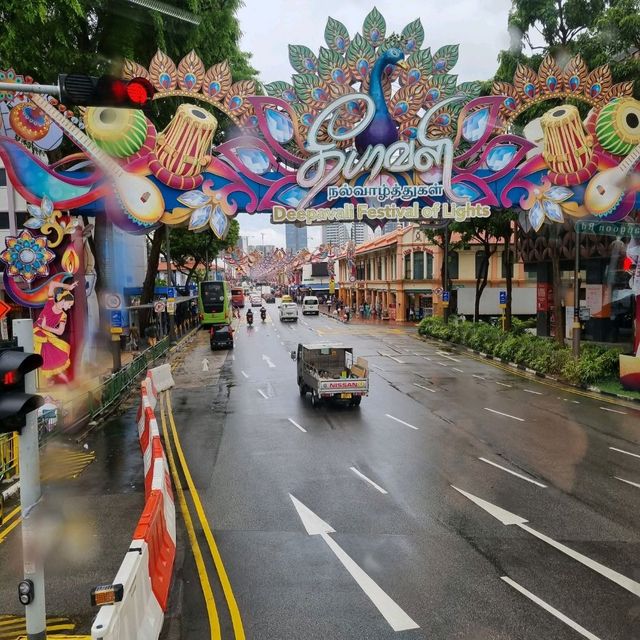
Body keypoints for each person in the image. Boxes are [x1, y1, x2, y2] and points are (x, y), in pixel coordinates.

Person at [34, 280, 77, 383]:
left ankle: (46, 381)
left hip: (46, 335)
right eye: (69, 304)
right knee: (36, 354)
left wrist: (46, 327)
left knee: (49, 357)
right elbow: (52, 284)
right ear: (63, 300)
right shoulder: (50, 302)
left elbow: (60, 332)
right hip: (34, 332)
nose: (70, 307)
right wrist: (68, 286)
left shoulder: (63, 315)